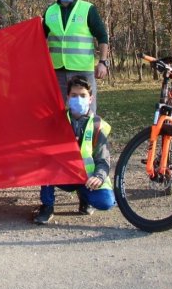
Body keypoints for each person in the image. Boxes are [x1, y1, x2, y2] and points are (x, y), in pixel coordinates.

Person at [34, 75, 115, 225]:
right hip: (63, 175)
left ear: (90, 98)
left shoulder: (98, 125)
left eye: (83, 96)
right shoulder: (58, 120)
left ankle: (85, 198)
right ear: (68, 97)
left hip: (87, 178)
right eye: (74, 95)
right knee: (45, 161)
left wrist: (99, 176)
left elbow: (103, 159)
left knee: (106, 202)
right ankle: (47, 206)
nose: (78, 99)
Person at [44, 0, 109, 113]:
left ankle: (88, 135)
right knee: (57, 112)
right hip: (58, 72)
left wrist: (103, 62)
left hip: (83, 71)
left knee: (87, 111)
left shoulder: (87, 9)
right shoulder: (49, 12)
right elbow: (37, 37)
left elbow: (102, 36)